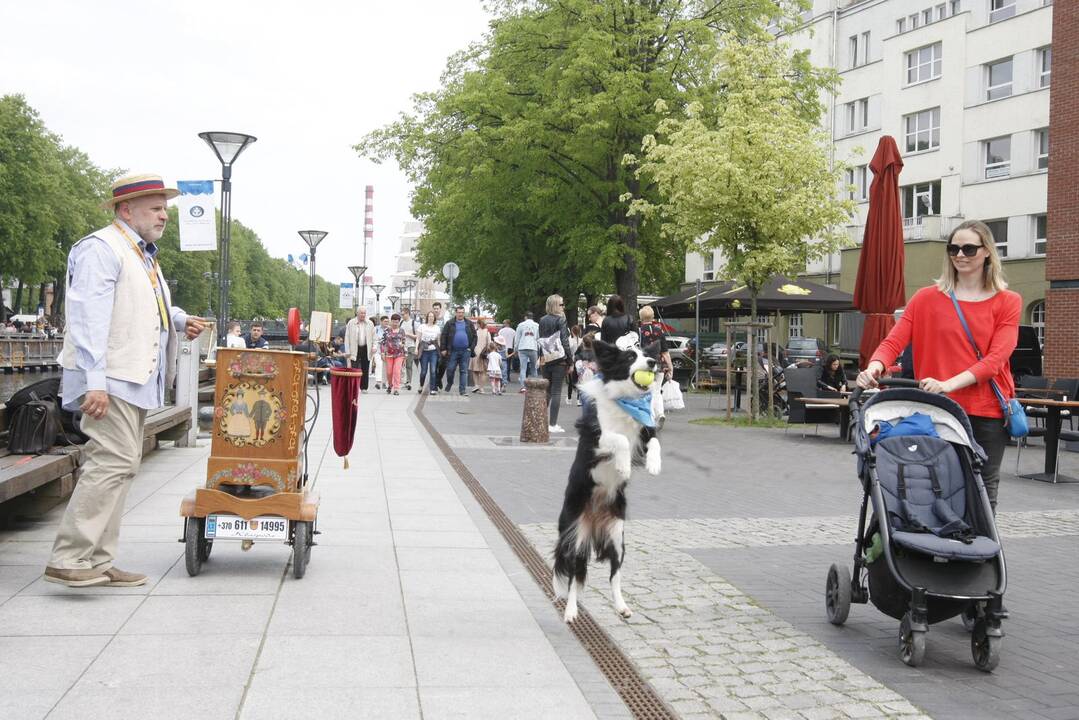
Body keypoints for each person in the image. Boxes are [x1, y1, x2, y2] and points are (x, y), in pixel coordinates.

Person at [47, 173, 206, 588]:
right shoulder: (101, 248)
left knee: (122, 465)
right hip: (111, 378)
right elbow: (87, 318)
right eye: (155, 208)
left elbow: (142, 306)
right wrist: (94, 381)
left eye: (165, 209)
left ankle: (98, 559)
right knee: (113, 461)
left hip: (131, 376)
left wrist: (180, 320)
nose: (163, 215)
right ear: (125, 210)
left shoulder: (142, 255)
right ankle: (70, 555)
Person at [856, 220, 1021, 512]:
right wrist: (875, 367)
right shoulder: (926, 299)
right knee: (934, 481)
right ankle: (935, 549)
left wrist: (948, 384)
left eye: (969, 248)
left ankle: (979, 555)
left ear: (986, 252)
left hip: (986, 410)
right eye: (953, 248)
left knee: (983, 486)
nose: (960, 255)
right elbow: (894, 342)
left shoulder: (1007, 301)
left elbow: (996, 359)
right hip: (936, 408)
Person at [538, 294, 573, 433]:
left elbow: (541, 340)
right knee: (556, 391)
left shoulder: (542, 320)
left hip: (546, 359)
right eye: (561, 304)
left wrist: (541, 358)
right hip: (559, 360)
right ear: (555, 305)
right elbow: (564, 341)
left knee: (546, 391)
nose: (564, 307)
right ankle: (552, 425)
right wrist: (570, 360)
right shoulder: (561, 319)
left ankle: (539, 421)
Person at [637, 305, 673, 425]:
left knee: (646, 392)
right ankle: (660, 413)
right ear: (653, 316)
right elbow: (665, 352)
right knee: (657, 391)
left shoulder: (639, 331)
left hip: (645, 366)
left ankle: (651, 417)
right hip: (659, 365)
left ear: (641, 317)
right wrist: (670, 367)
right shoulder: (659, 330)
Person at [440, 306, 477, 395]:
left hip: (465, 351)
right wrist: (443, 348)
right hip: (453, 351)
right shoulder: (450, 323)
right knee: (450, 369)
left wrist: (470, 348)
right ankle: (450, 382)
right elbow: (443, 336)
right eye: (459, 312)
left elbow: (475, 337)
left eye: (462, 312)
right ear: (456, 313)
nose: (460, 314)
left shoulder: (469, 323)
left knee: (463, 371)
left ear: (464, 313)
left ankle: (462, 390)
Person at [344, 307, 377, 391]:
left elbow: (374, 337)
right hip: (355, 348)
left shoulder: (370, 323)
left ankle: (364, 387)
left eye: (364, 313)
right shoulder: (351, 323)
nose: (363, 315)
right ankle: (354, 387)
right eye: (361, 313)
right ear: (357, 313)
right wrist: (347, 350)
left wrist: (374, 346)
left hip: (366, 347)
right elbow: (347, 337)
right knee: (354, 368)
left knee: (365, 368)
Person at [380, 313, 407, 395]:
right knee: (389, 372)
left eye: (397, 322)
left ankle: (396, 388)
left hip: (399, 354)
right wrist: (382, 353)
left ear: (399, 322)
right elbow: (383, 342)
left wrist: (405, 353)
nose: (395, 324)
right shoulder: (387, 330)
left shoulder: (402, 331)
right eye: (394, 322)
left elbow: (404, 341)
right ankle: (390, 385)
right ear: (391, 321)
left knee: (397, 371)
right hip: (389, 354)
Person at [514, 311, 540, 393]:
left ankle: (523, 387)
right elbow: (538, 338)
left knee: (523, 368)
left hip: (522, 348)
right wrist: (538, 348)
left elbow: (517, 338)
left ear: (525, 317)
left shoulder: (521, 325)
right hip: (533, 347)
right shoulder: (537, 325)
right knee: (534, 368)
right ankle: (534, 386)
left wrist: (515, 349)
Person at [417, 310, 441, 395]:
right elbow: (418, 338)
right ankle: (421, 385)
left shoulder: (437, 328)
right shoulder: (422, 326)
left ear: (434, 318)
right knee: (423, 371)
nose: (431, 318)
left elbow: (438, 341)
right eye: (429, 316)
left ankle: (432, 388)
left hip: (433, 351)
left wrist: (440, 351)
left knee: (433, 370)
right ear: (427, 317)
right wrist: (416, 349)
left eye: (432, 316)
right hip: (424, 351)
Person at [470, 318, 492, 394]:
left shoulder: (475, 332)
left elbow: (471, 343)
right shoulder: (487, 333)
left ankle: (476, 385)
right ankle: (481, 388)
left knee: (475, 371)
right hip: (483, 354)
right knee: (483, 372)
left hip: (475, 353)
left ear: (478, 324)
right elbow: (489, 345)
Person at [400, 307, 417, 391]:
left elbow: (417, 336)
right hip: (402, 346)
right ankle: (402, 381)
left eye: (403, 314)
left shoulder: (414, 323)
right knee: (401, 365)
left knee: (409, 365)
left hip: (411, 346)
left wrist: (407, 334)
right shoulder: (401, 322)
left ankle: (409, 382)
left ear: (407, 314)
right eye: (401, 314)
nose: (402, 316)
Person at [565, 324, 582, 404]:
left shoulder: (570, 340)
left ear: (572, 331)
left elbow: (568, 351)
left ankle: (569, 398)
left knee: (571, 381)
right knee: (579, 380)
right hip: (579, 362)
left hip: (571, 361)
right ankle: (579, 400)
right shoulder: (581, 340)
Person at [371, 316, 390, 390]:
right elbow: (372, 338)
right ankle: (378, 382)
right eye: (385, 321)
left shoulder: (389, 329)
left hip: (386, 350)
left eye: (387, 321)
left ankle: (385, 383)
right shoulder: (376, 329)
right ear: (381, 321)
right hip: (378, 350)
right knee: (379, 365)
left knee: (385, 367)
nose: (386, 323)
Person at [497, 319, 516, 383]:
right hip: (510, 347)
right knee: (508, 363)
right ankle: (507, 377)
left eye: (504, 323)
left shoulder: (501, 331)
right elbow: (514, 340)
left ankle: (502, 376)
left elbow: (498, 339)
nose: (503, 324)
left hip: (502, 347)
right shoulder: (513, 331)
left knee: (502, 362)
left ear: (507, 323)